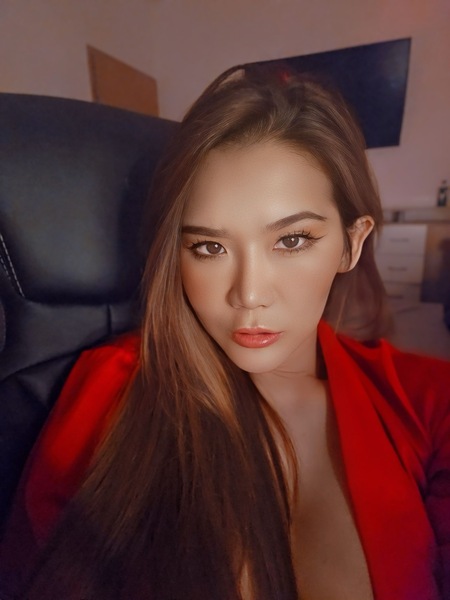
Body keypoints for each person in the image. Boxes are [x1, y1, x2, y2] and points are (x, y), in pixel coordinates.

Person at [0, 65, 449, 600]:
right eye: (209, 247)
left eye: (292, 241)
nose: (249, 294)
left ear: (352, 244)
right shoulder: (113, 389)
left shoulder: (428, 401)